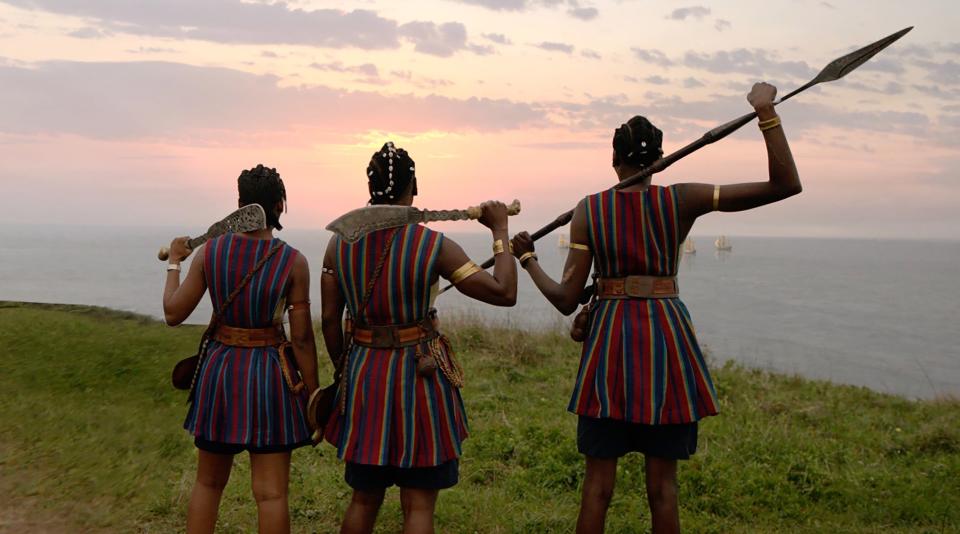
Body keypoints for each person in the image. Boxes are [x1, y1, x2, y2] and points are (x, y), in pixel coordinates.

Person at [510, 82, 801, 534]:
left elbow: (567, 300)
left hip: (609, 352)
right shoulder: (681, 199)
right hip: (667, 347)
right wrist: (766, 113)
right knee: (663, 490)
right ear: (659, 160)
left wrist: (527, 258)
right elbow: (785, 185)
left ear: (614, 160)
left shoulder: (590, 209)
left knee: (597, 491)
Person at [320, 142, 517, 534]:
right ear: (414, 185)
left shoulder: (338, 243)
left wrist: (346, 367)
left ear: (371, 186)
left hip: (364, 377)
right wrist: (500, 231)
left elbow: (329, 319)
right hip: (419, 376)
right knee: (418, 505)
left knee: (364, 498)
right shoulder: (433, 245)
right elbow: (503, 292)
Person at [162, 165, 320, 534]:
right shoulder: (293, 261)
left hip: (220, 372)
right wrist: (313, 397)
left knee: (208, 484)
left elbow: (173, 313)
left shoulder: (209, 253)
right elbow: (301, 339)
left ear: (239, 204)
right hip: (270, 377)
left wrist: (173, 262)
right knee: (271, 496)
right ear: (280, 204)